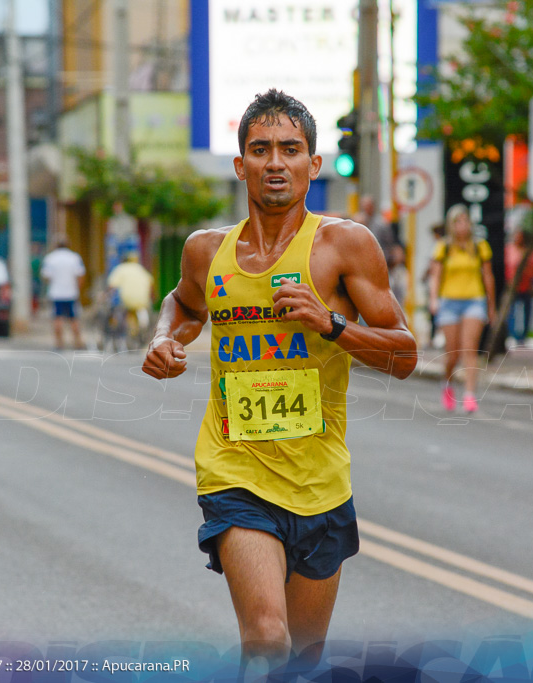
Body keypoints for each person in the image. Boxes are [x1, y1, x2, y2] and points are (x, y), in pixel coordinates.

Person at [141, 89, 417, 672]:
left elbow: (405, 353)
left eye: (290, 149)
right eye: (260, 149)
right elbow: (184, 303)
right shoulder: (205, 250)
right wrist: (165, 336)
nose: (275, 162)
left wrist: (331, 324)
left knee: (302, 657)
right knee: (266, 638)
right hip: (234, 469)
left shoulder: (344, 245)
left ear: (313, 165)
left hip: (320, 479)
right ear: (240, 164)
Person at [427, 204, 496, 413]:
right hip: (449, 302)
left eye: (465, 221)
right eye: (457, 222)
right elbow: (435, 276)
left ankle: (469, 394)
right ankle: (447, 383)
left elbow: (487, 277)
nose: (462, 226)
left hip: (474, 300)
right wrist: (433, 299)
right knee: (453, 353)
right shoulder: (444, 247)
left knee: (470, 349)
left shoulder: (479, 246)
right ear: (451, 225)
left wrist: (491, 305)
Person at [41, 238, 87, 350]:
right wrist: (78, 288)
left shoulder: (50, 258)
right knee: (74, 318)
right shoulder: (74, 257)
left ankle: (59, 343)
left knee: (57, 318)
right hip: (71, 292)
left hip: (56, 293)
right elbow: (80, 275)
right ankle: (78, 342)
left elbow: (46, 275)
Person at [504, 228, 533, 346]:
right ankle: (513, 334)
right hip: (513, 287)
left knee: (527, 311)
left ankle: (523, 336)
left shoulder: (531, 251)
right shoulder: (509, 250)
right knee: (512, 312)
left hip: (527, 286)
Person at [106, 252, 154, 346]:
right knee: (141, 311)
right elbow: (151, 283)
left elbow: (112, 286)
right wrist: (152, 296)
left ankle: (121, 332)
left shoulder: (120, 269)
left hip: (127, 299)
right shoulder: (140, 269)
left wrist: (106, 295)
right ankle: (141, 333)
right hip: (143, 300)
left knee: (121, 312)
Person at [421, 222, 446, 347]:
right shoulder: (445, 245)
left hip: (437, 284)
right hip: (443, 285)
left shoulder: (439, 246)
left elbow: (432, 265)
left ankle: (435, 337)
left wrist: (424, 276)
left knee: (433, 313)